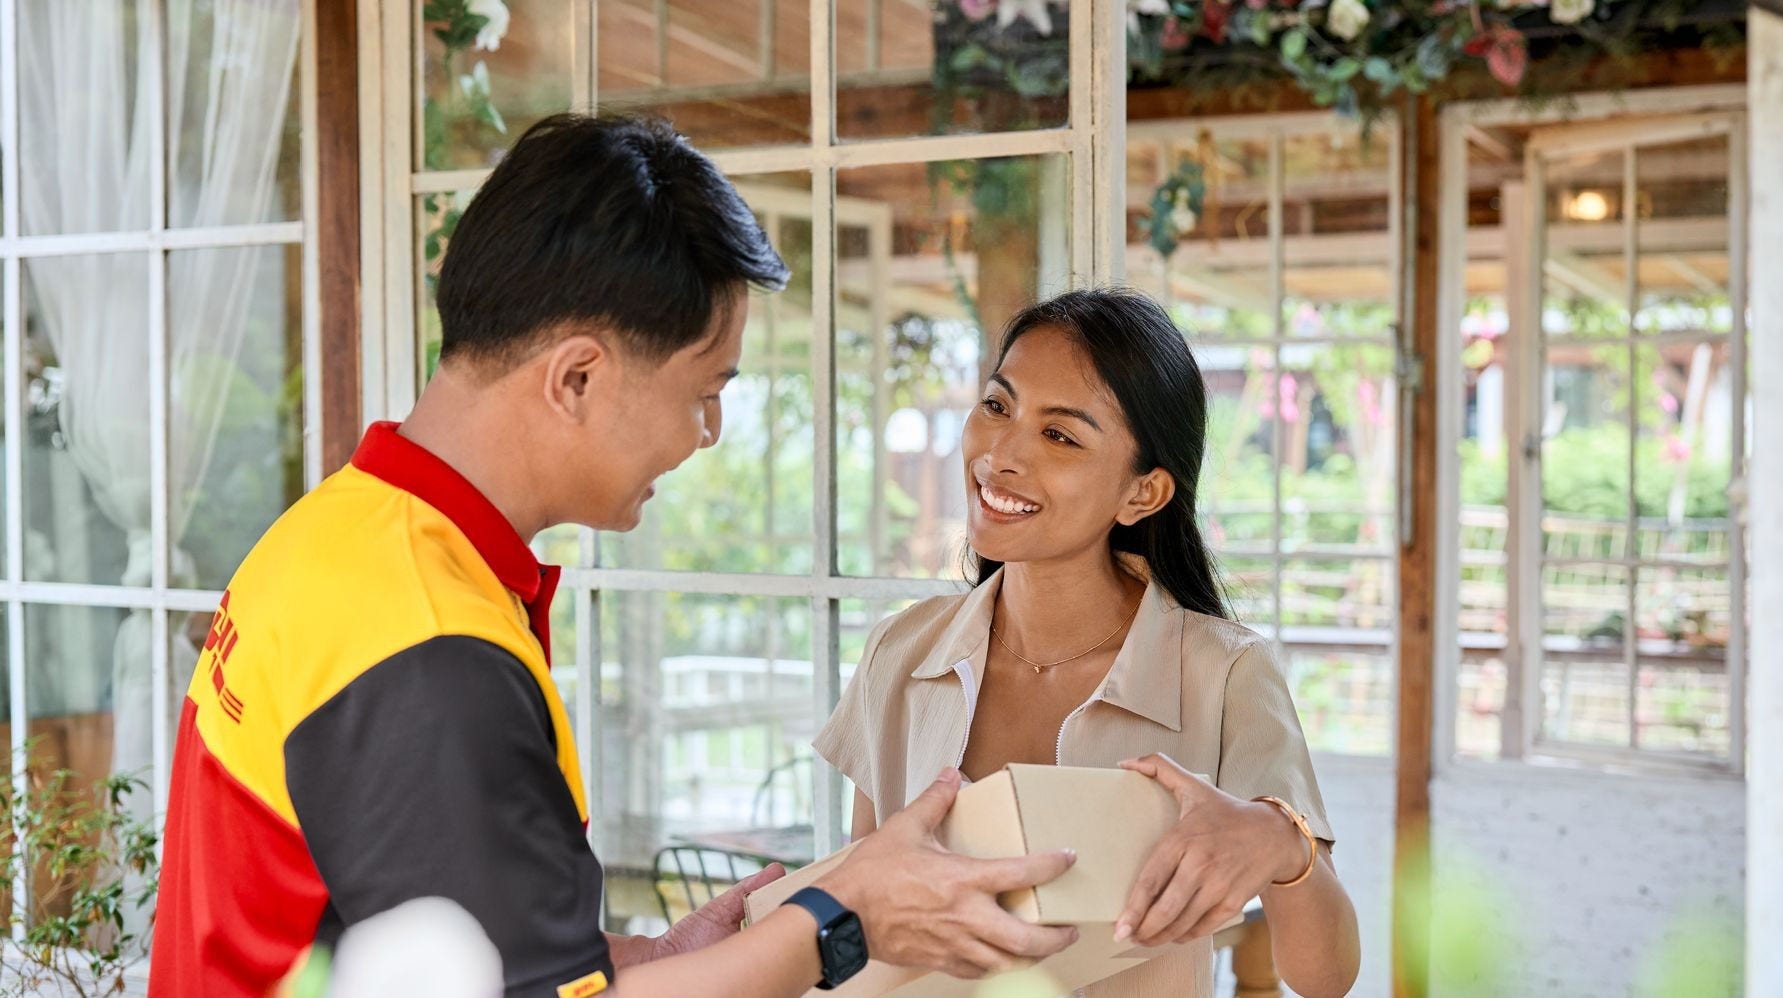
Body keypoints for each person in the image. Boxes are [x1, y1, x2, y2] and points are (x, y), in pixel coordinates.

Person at [148, 114, 1082, 998]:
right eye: (704, 391)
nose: (709, 433)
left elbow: (445, 938)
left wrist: (646, 958)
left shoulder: (341, 536)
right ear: (577, 378)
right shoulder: (434, 652)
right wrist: (844, 917)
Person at [814, 289, 1364, 997]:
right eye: (997, 405)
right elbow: (860, 921)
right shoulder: (901, 653)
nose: (1001, 454)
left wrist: (1280, 844)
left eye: (1060, 435)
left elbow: (1326, 977)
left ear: (1143, 494)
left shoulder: (1225, 674)